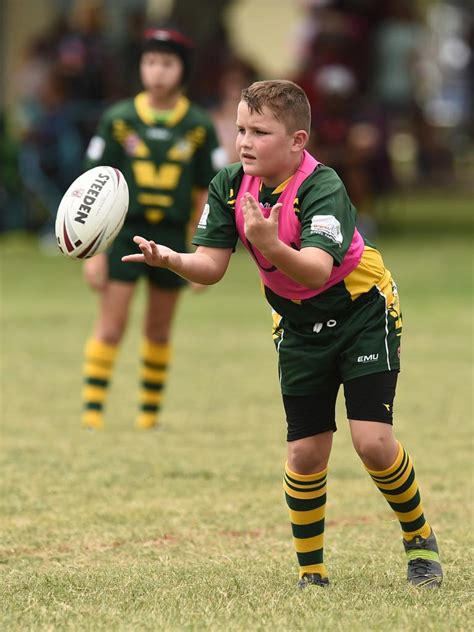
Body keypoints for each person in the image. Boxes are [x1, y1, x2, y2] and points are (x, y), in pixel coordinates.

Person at [122, 80, 443, 588]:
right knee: (305, 452)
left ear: (297, 140)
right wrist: (170, 260)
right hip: (297, 324)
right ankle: (311, 575)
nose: (245, 142)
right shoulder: (229, 184)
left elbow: (315, 269)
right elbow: (210, 266)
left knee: (373, 443)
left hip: (364, 313)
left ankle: (420, 541)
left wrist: (270, 244)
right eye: (241, 130)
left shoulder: (323, 186)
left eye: (260, 132)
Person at [81, 26, 225, 431]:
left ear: (182, 70)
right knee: (111, 325)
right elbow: (92, 188)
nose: (157, 71)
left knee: (158, 330)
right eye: (150, 62)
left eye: (167, 63)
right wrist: (92, 256)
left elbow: (207, 193)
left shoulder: (198, 125)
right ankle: (92, 414)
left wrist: (203, 251)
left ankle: (149, 417)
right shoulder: (118, 119)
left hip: (173, 238)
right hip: (122, 236)